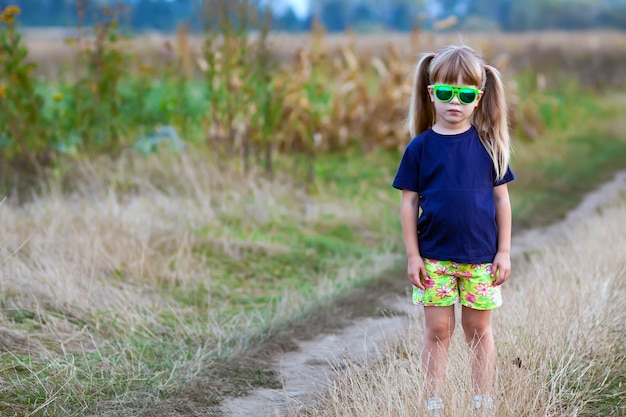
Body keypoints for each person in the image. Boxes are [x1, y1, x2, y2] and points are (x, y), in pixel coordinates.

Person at [392, 45, 514, 416]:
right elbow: (409, 203)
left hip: (480, 257)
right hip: (434, 259)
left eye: (465, 95)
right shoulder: (420, 148)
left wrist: (504, 251)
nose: (454, 103)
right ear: (432, 93)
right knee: (438, 331)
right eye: (445, 93)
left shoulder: (489, 146)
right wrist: (413, 256)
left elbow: (502, 202)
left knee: (478, 330)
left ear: (478, 98)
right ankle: (432, 401)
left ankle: (483, 400)